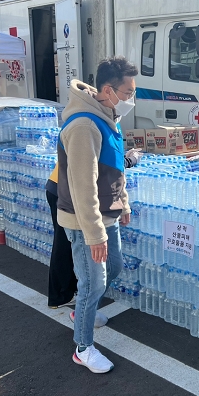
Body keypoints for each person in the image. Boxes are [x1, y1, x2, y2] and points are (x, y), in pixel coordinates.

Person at [57, 56, 137, 373]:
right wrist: (93, 234)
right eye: (128, 91)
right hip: (85, 222)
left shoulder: (107, 118)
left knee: (112, 268)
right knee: (93, 283)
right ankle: (83, 347)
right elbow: (82, 185)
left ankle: (81, 310)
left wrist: (124, 203)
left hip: (108, 215)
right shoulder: (84, 125)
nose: (131, 98)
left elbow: (115, 169)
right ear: (108, 89)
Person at [45, 148, 142, 310]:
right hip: (67, 191)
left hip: (59, 185)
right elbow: (105, 167)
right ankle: (61, 295)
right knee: (66, 244)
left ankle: (65, 292)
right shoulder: (93, 128)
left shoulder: (94, 126)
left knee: (65, 243)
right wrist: (130, 160)